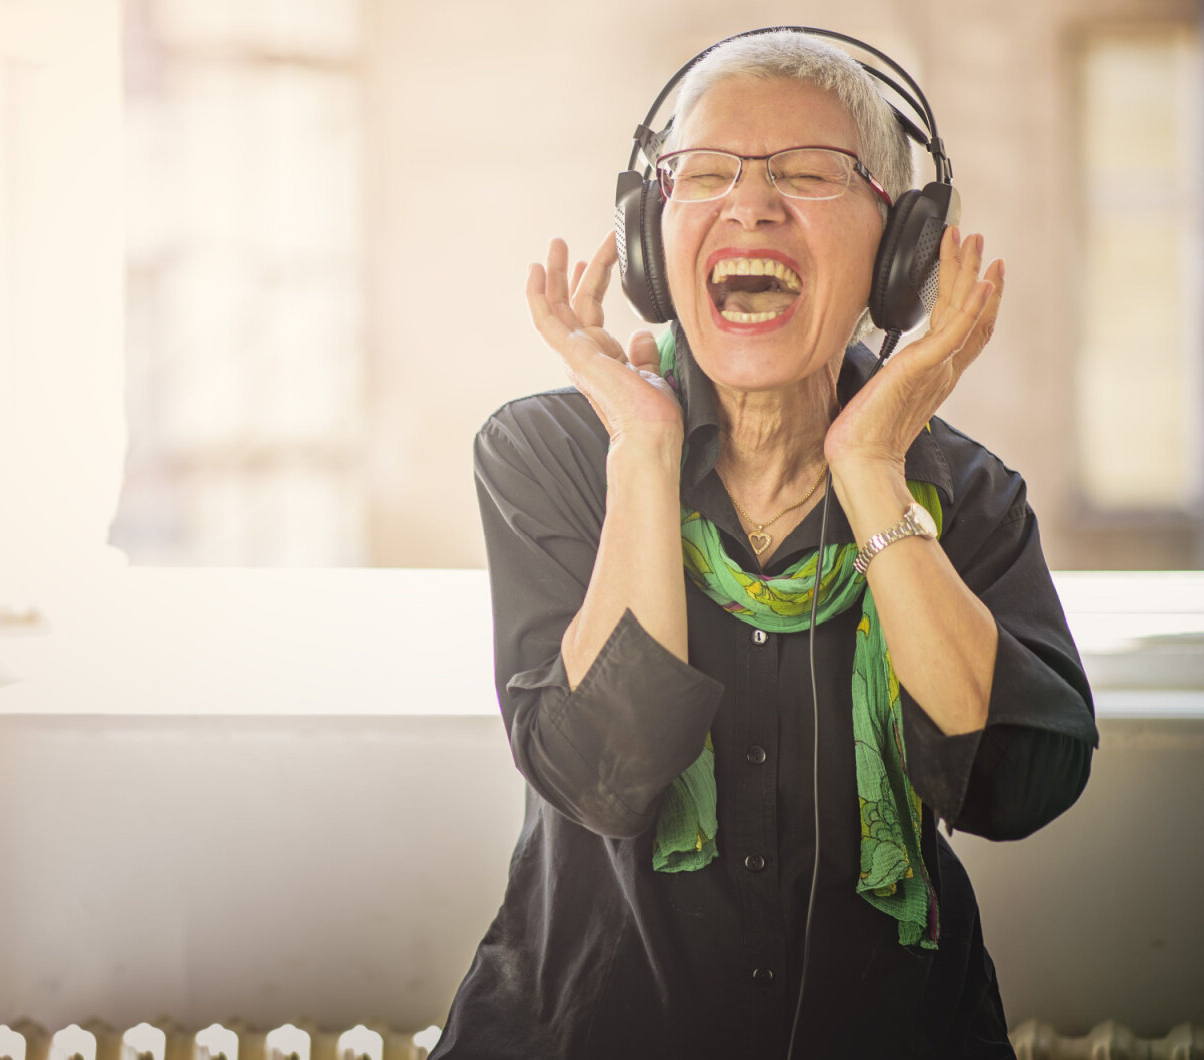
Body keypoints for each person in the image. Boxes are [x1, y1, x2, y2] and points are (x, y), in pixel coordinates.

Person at [431, 30, 1099, 1060]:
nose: (749, 204)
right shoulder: (550, 455)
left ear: (901, 245)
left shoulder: (962, 497)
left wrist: (871, 465)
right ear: (654, 238)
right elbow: (603, 774)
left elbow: (1018, 786)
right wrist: (644, 450)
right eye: (702, 173)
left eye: (809, 172)